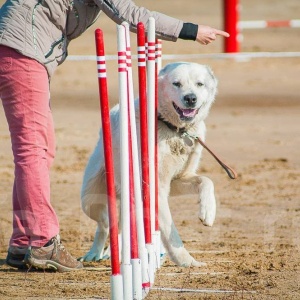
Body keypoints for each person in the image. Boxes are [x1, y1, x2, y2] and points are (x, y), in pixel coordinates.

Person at [0, 0, 229, 272]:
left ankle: (24, 240)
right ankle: (41, 242)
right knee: (34, 150)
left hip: (21, 50)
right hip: (20, 52)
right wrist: (189, 30)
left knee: (39, 148)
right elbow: (131, 16)